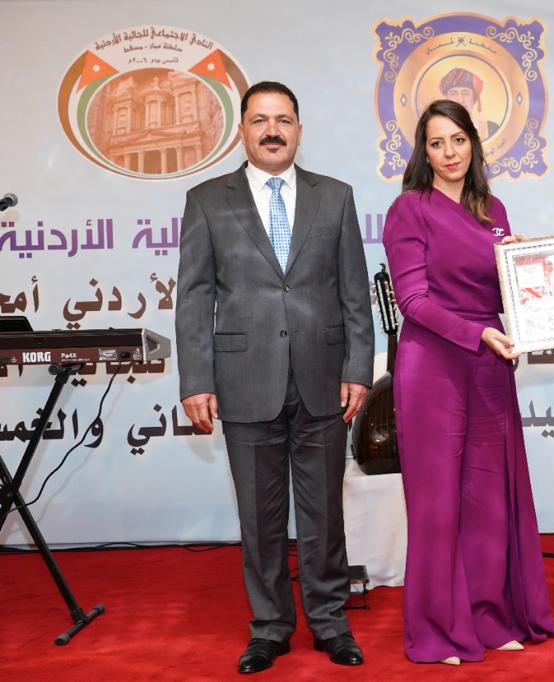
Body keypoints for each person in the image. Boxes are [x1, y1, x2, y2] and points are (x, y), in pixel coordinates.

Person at [175, 81, 374, 674]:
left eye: (283, 120)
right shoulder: (206, 200)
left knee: (324, 516)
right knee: (259, 521)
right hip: (243, 381)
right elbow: (194, 297)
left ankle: (331, 624)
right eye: (260, 120)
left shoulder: (334, 197)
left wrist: (358, 368)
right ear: (242, 130)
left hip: (323, 380)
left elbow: (354, 293)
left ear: (299, 130)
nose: (272, 131)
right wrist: (196, 379)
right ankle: (268, 628)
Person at [382, 99, 554, 666]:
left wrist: (522, 270)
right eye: (436, 143)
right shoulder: (409, 209)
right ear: (423, 152)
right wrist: (477, 333)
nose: (449, 152)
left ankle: (487, 618)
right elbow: (413, 301)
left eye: (458, 140)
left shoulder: (494, 210)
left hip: (488, 365)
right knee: (437, 505)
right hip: (432, 367)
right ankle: (438, 630)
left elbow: (504, 295)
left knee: (488, 500)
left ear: (473, 144)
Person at [439, 67, 500, 140]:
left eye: (465, 93)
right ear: (446, 98)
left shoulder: (491, 129)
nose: (460, 100)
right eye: (453, 93)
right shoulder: (436, 130)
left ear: (474, 98)